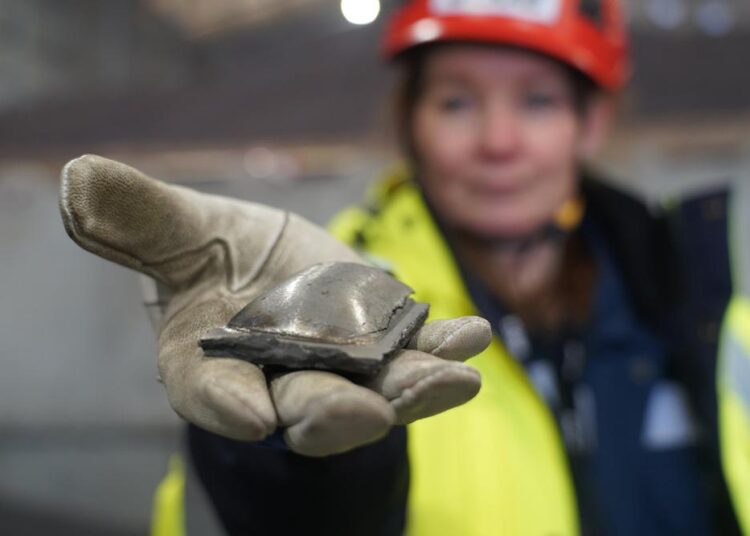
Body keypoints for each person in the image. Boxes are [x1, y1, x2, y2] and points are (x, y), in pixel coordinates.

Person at [59, 0, 750, 534]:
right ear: (411, 121)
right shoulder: (332, 279)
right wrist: (279, 461)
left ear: (589, 123)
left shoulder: (700, 292)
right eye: (456, 102)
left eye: (537, 101)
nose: (498, 142)